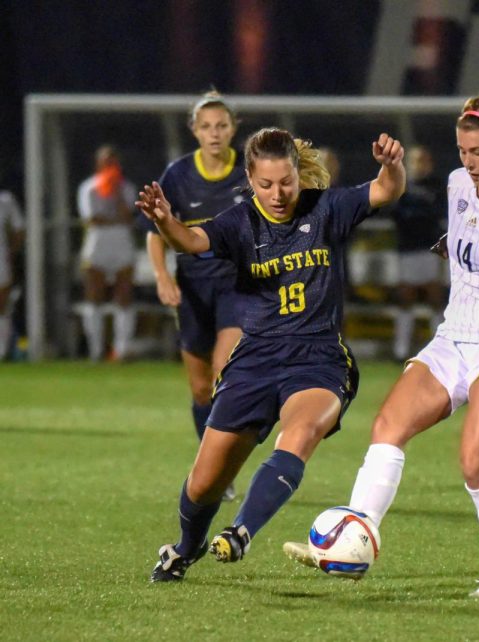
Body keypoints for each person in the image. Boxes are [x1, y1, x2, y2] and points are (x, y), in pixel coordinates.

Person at [284, 96, 479, 599]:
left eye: (477, 151)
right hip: (455, 335)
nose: (468, 161)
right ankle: (352, 537)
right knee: (388, 425)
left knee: (475, 460)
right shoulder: (457, 185)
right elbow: (466, 235)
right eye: (462, 150)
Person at [139, 127, 406, 582]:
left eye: (286, 182)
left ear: (299, 176)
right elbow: (191, 241)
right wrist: (165, 220)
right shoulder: (239, 222)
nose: (278, 194)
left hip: (319, 356)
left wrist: (392, 165)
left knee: (300, 433)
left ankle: (241, 531)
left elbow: (386, 189)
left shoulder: (326, 209)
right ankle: (185, 548)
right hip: (256, 359)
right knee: (204, 482)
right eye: (265, 184)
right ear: (250, 177)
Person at [146, 92, 247, 498]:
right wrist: (162, 277)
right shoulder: (177, 175)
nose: (214, 133)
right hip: (192, 287)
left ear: (233, 128)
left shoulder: (249, 170)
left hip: (237, 283)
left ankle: (224, 464)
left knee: (225, 368)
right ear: (194, 131)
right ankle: (213, 466)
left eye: (221, 125)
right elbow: (157, 235)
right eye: (206, 126)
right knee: (200, 388)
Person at [77, 145, 138, 362]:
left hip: (121, 241)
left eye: (113, 162)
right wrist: (115, 219)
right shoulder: (88, 188)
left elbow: (129, 216)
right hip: (98, 242)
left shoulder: (126, 188)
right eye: (106, 162)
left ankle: (122, 349)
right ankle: (95, 349)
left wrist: (117, 194)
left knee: (124, 296)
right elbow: (92, 218)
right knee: (94, 296)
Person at [389, 144, 446, 360]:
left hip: (430, 248)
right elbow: (396, 214)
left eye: (423, 161)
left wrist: (419, 215)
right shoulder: (402, 185)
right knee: (406, 297)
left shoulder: (437, 186)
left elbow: (437, 214)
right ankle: (401, 349)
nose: (419, 166)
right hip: (407, 249)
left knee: (435, 297)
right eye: (415, 161)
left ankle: (439, 349)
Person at [0, 189, 24, 360]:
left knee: (2, 305)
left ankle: (1, 350)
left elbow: (18, 229)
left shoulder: (6, 200)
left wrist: (11, 252)